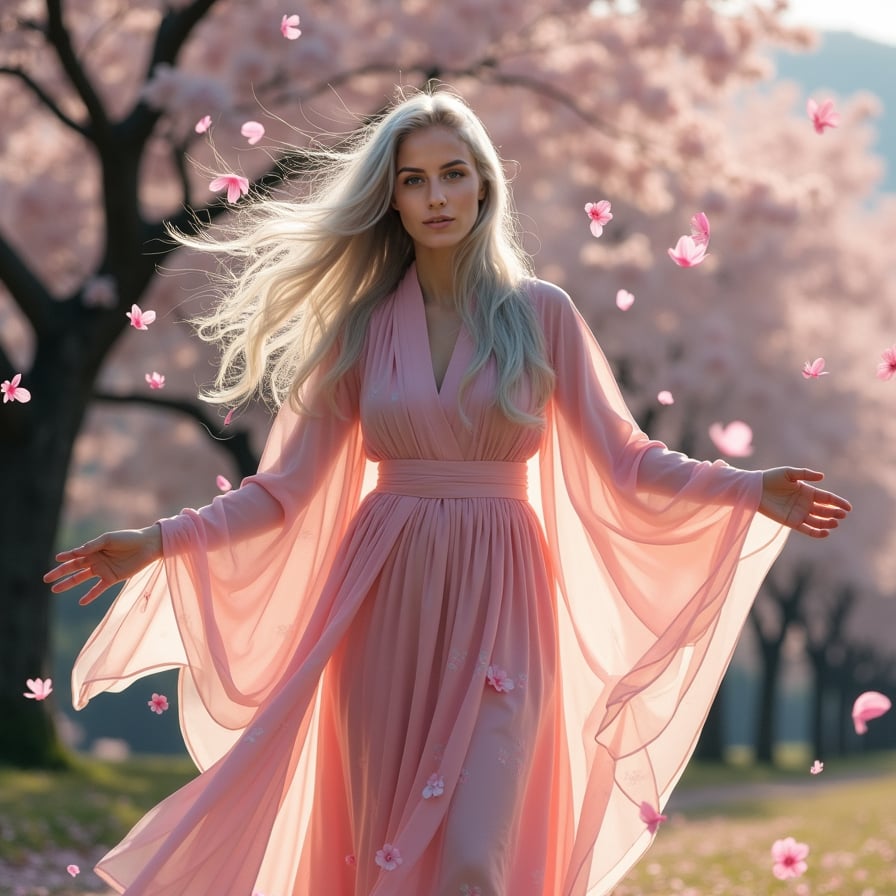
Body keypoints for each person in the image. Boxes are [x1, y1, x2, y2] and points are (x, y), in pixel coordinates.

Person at [45, 87, 850, 896]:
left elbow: (628, 459)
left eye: (453, 174)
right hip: (380, 597)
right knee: (378, 842)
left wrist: (746, 487)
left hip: (504, 595)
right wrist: (158, 541)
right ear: (390, 199)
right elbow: (282, 491)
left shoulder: (542, 316)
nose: (436, 197)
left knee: (474, 855)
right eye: (414, 180)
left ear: (484, 185)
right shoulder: (357, 331)